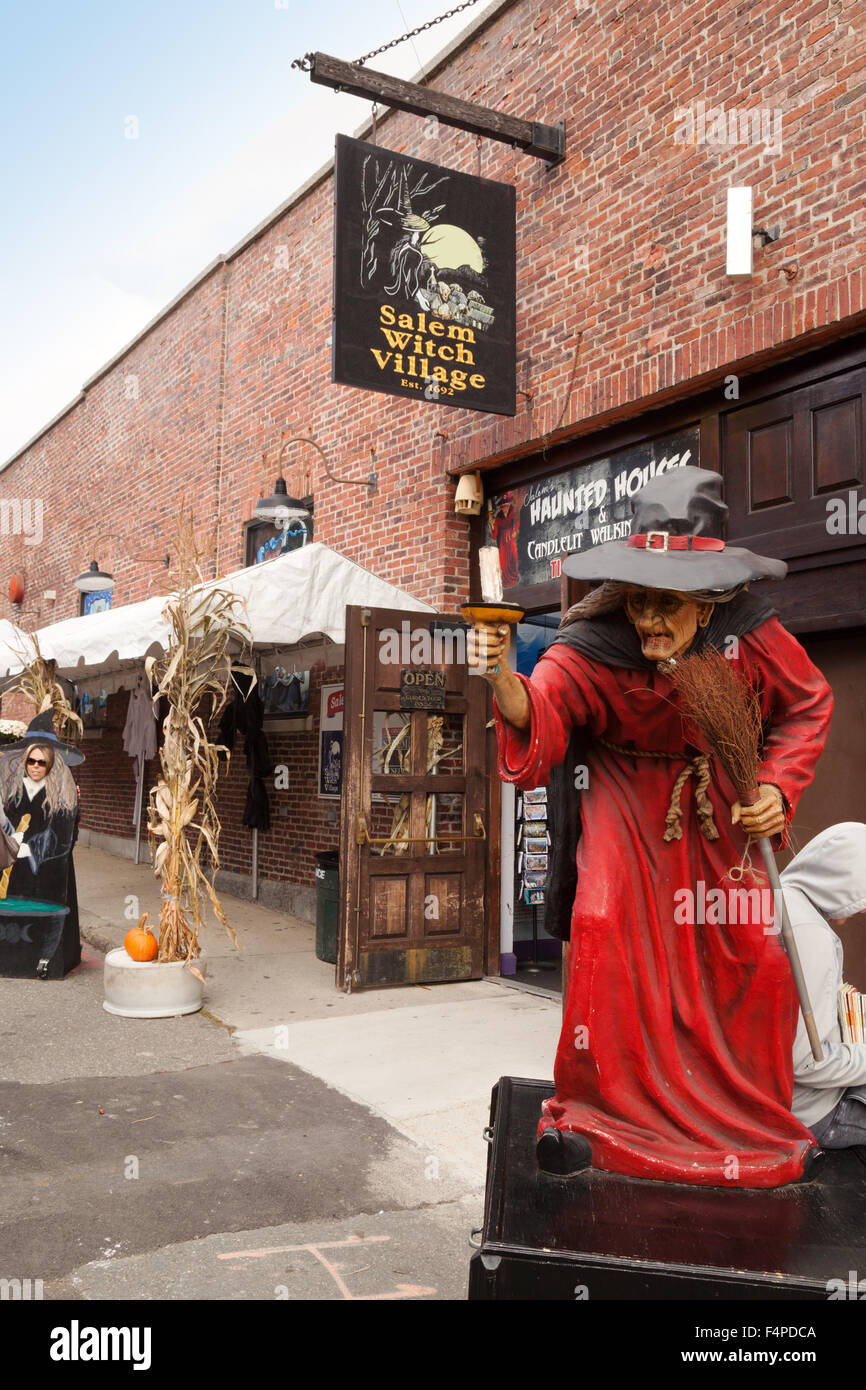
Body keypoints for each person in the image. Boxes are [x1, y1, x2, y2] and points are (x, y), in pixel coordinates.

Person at [468, 466, 834, 1187]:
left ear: (707, 598)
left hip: (722, 806)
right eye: (639, 601)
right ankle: (597, 1116)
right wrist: (502, 679)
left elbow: (807, 705)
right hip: (625, 801)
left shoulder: (750, 634)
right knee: (605, 931)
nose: (648, 622)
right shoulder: (595, 641)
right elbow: (544, 708)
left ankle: (750, 1123)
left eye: (666, 604)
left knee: (755, 957)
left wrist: (776, 785)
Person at [782, 823, 866, 1150]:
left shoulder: (779, 901)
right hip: (813, 1112)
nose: (863, 909)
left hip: (784, 1097)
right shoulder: (809, 935)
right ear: (842, 879)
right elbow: (806, 1063)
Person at [0, 709, 83, 976]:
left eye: (41, 762)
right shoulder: (13, 791)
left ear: (50, 764)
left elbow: (66, 834)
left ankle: (49, 961)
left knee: (50, 914)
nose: (35, 766)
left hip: (51, 869)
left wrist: (32, 847)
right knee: (18, 911)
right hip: (17, 868)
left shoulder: (63, 795)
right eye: (31, 761)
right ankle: (16, 961)